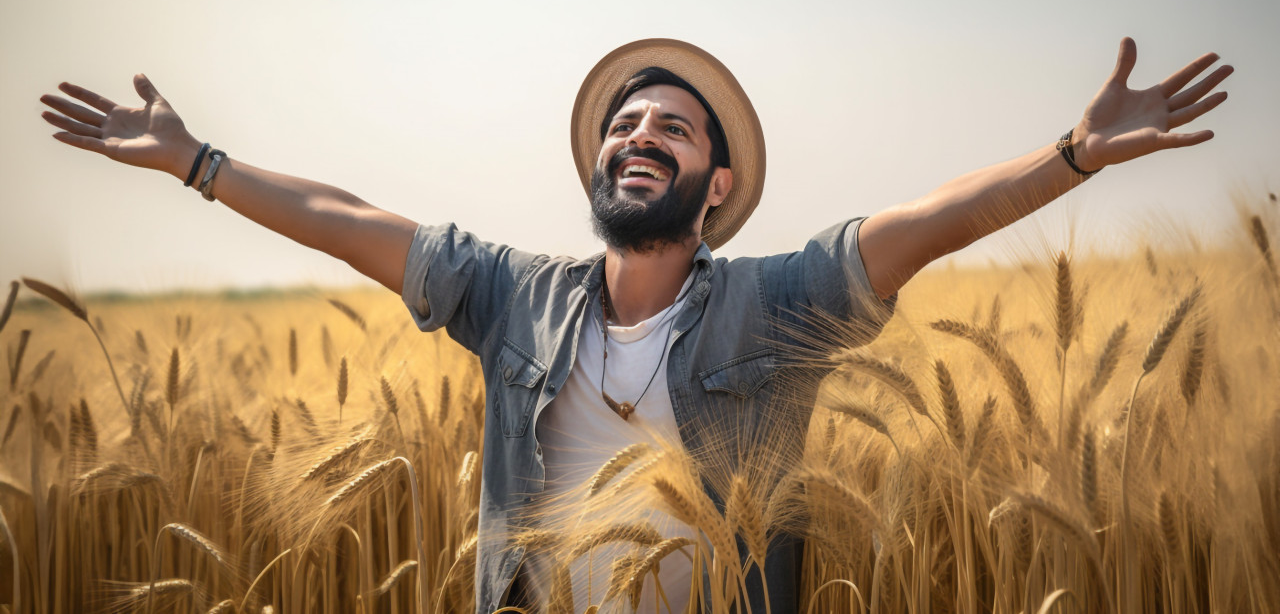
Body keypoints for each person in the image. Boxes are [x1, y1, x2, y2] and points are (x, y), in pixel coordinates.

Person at [39, 37, 1231, 612]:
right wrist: (197, 163)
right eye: (622, 125)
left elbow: (917, 226)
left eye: (669, 127)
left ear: (714, 186)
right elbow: (350, 220)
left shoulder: (777, 304)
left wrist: (1072, 156)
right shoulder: (515, 293)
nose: (637, 134)